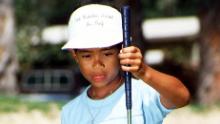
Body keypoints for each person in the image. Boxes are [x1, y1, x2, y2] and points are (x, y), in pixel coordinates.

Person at [61, 4, 190, 124]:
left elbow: (182, 97)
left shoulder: (142, 94)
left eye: (107, 54)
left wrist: (144, 72)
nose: (97, 64)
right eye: (87, 56)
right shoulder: (70, 112)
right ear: (75, 56)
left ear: (123, 50)